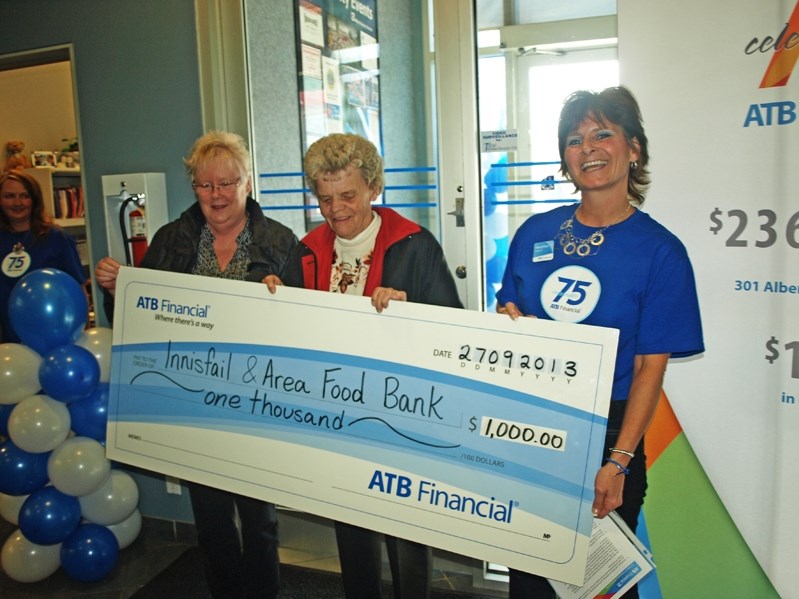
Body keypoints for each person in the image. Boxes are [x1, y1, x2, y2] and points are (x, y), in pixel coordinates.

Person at [496, 87, 704, 598]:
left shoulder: (661, 251)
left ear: (634, 149)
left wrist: (619, 462)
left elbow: (649, 370)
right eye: (574, 139)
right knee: (528, 578)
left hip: (607, 438)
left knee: (596, 586)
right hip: (530, 427)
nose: (588, 147)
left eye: (602, 134)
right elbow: (507, 315)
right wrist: (507, 320)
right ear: (565, 159)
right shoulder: (533, 233)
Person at [95, 130, 298, 599]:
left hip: (254, 402)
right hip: (191, 401)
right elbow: (138, 321)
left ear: (247, 183)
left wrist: (283, 302)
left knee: (260, 519)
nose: (217, 195)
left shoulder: (280, 242)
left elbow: (299, 330)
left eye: (227, 183)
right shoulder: (171, 240)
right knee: (210, 520)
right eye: (205, 185)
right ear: (194, 189)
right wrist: (115, 292)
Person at [265, 133, 462, 599]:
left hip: (401, 418)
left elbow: (453, 331)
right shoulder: (308, 248)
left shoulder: (415, 245)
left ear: (374, 188)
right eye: (325, 197)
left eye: (348, 195)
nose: (335, 209)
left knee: (407, 536)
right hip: (337, 415)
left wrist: (410, 308)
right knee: (350, 528)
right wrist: (274, 296)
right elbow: (290, 333)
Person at [0, 170, 86, 343]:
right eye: (9, 196)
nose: (17, 203)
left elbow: (79, 289)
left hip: (54, 338)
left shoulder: (56, 238)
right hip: (8, 343)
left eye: (25, 196)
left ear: (35, 200)